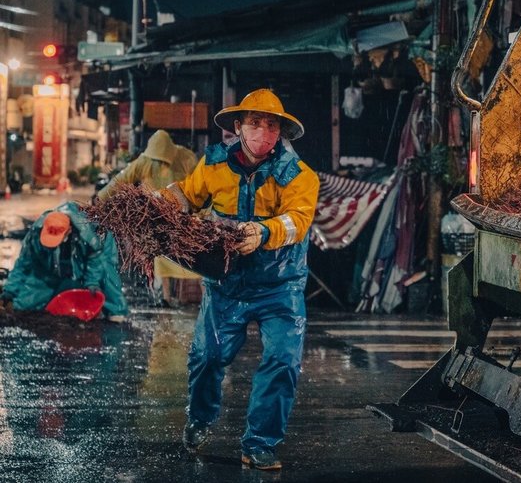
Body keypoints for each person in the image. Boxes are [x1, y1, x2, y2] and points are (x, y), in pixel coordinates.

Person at [163, 89, 319, 471]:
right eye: (254, 123)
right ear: (238, 127)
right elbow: (189, 195)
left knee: (283, 360)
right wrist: (164, 203)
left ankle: (260, 444)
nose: (262, 132)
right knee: (207, 356)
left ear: (280, 133)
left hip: (280, 286)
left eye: (271, 125)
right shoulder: (213, 165)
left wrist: (262, 233)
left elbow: (297, 220)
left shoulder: (299, 176)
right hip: (226, 285)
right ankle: (199, 419)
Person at [98, 129, 200, 306]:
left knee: (186, 258)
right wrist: (101, 197)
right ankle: (166, 298)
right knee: (164, 257)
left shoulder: (184, 157)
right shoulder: (147, 161)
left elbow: (199, 183)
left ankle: (188, 298)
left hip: (183, 216)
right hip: (159, 218)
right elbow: (121, 180)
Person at [0, 201, 128, 321]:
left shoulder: (88, 234)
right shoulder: (35, 234)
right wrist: (10, 290)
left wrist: (92, 282)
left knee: (106, 274)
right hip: (67, 251)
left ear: (69, 231)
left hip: (100, 247)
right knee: (32, 292)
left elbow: (95, 258)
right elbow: (23, 264)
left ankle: (116, 313)